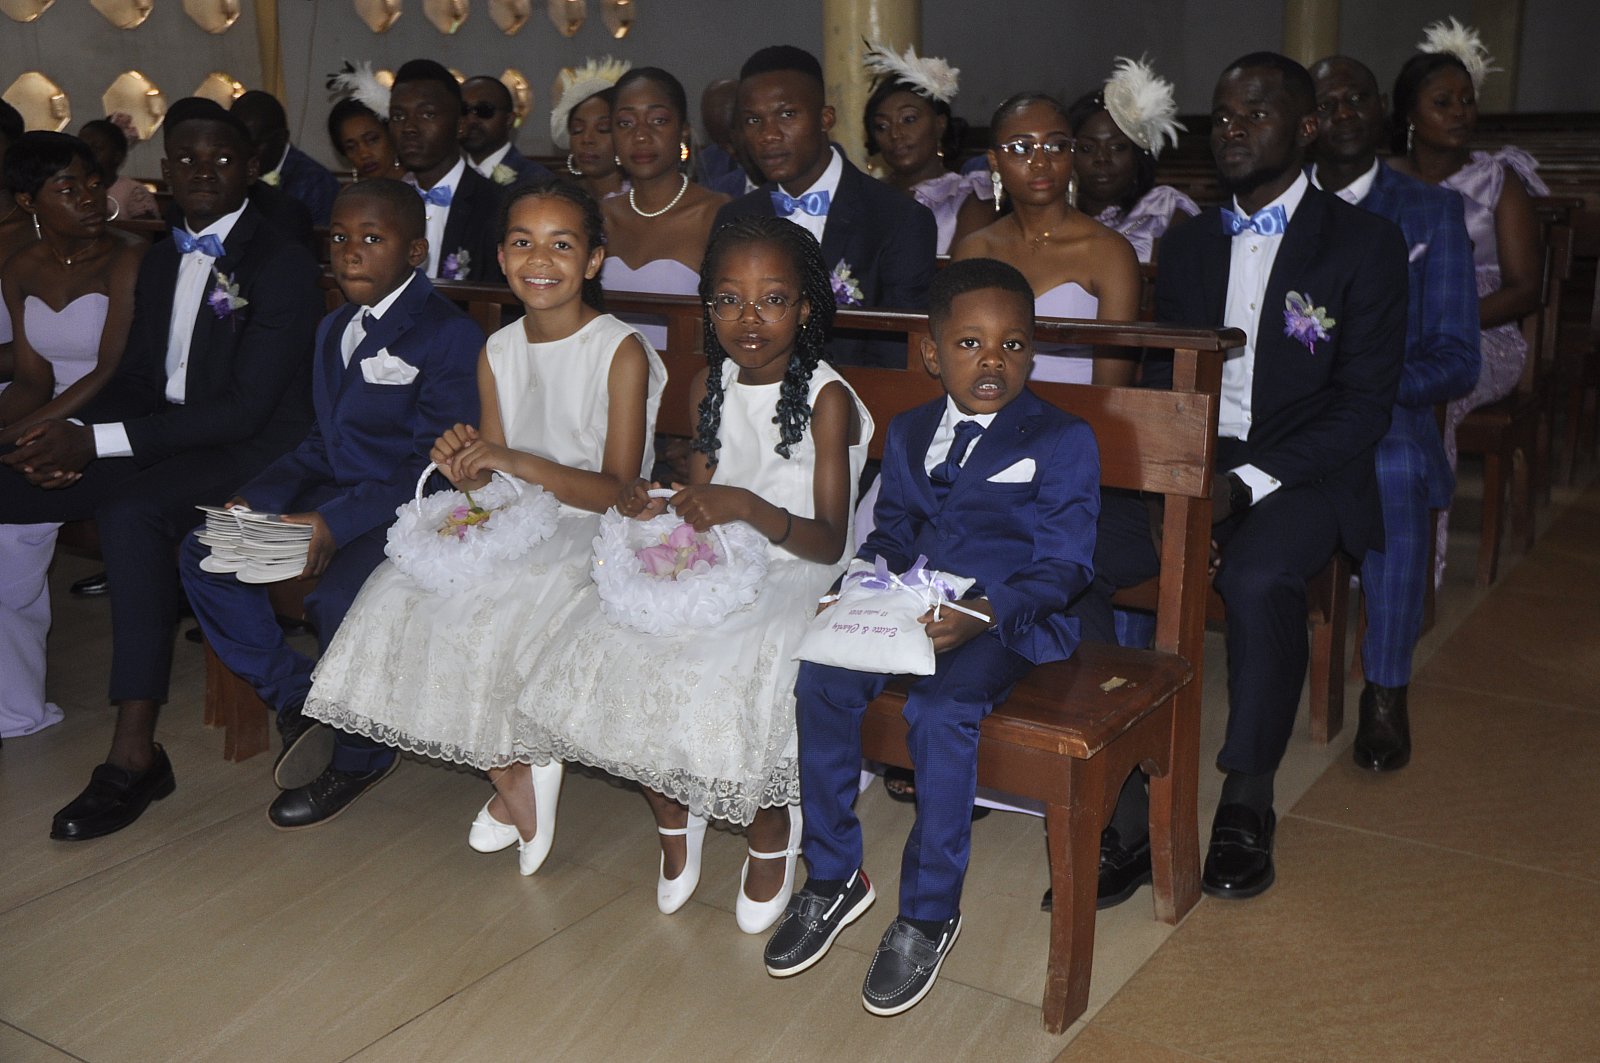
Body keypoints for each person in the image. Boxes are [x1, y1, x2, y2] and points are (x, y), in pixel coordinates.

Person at [1094, 53, 1406, 903]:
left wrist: (1248, 483)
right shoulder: (1190, 240)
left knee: (1263, 573)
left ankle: (1247, 792)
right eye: (1223, 115)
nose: (1231, 129)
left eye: (1255, 114)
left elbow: (1364, 406)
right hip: (1196, 457)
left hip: (1307, 467)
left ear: (1306, 129)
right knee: (1081, 545)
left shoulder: (1364, 243)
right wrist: (1160, 483)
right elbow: (1161, 378)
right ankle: (1122, 798)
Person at [764, 257, 1098, 1015]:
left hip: (1008, 620)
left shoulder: (1062, 437)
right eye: (970, 343)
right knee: (821, 680)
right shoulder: (913, 429)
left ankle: (929, 910)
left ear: (1033, 352)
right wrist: (856, 583)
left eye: (1013, 345)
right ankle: (833, 873)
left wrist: (980, 612)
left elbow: (1067, 564)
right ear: (932, 353)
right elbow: (893, 530)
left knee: (941, 711)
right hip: (910, 607)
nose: (992, 361)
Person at [522, 216, 872, 933]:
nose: (750, 318)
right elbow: (701, 499)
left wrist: (746, 506)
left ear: (806, 308)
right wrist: (653, 499)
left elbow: (829, 539)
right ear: (708, 308)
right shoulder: (710, 382)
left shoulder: (826, 399)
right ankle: (674, 814)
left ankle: (770, 826)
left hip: (796, 568)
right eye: (729, 300)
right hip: (719, 556)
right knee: (614, 645)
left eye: (773, 300)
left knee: (733, 668)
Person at [303, 179, 664, 855]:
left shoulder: (619, 349)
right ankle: (509, 766)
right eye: (523, 243)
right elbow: (494, 474)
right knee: (398, 591)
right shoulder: (497, 348)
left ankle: (520, 759)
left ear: (593, 260)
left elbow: (616, 490)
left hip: (594, 524)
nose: (540, 260)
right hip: (520, 510)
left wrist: (510, 459)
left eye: (562, 245)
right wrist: (467, 466)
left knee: (494, 609)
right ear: (500, 256)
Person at [0, 97, 321, 840]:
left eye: (220, 159)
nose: (201, 172)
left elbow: (245, 412)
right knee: (13, 479)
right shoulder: (166, 253)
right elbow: (139, 379)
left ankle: (135, 753)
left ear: (250, 167)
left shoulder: (281, 262)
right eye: (185, 159)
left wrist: (97, 445)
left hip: (253, 449)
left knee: (131, 513)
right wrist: (67, 439)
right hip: (168, 436)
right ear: (165, 169)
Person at [177, 180, 482, 825]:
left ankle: (361, 755)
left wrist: (333, 523)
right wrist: (255, 498)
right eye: (340, 238)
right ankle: (299, 699)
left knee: (338, 594)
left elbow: (433, 465)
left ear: (416, 251)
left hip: (413, 509)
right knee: (205, 550)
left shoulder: (447, 333)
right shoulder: (333, 327)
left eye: (372, 238)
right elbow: (320, 441)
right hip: (336, 495)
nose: (350, 252)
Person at [1309, 55, 1479, 772]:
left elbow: (1457, 358)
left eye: (1358, 98)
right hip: (1287, 414)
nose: (1345, 112)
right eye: (1327, 102)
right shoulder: (1275, 207)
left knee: (1395, 468)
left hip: (1387, 413)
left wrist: (1366, 386)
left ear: (1383, 110)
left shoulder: (1430, 211)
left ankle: (1385, 689)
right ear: (1304, 120)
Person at [1387, 20, 1548, 587]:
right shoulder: (1382, 181)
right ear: (1409, 115)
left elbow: (1527, 288)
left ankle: (1416, 564)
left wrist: (1446, 321)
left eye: (1467, 101)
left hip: (1484, 334)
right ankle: (1359, 545)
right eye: (1443, 102)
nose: (1460, 112)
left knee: (1434, 392)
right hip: (1395, 329)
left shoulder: (1497, 181)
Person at [0, 132, 145, 740]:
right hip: (50, 419)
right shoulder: (22, 269)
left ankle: (14, 706)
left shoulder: (128, 257)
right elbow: (32, 378)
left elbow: (109, 370)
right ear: (28, 201)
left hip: (111, 424)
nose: (88, 196)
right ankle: (15, 695)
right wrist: (9, 431)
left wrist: (23, 436)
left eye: (91, 182)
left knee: (12, 528)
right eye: (67, 187)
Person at [714, 45, 937, 369]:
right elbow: (719, 331)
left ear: (825, 118)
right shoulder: (734, 219)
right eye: (753, 120)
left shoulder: (898, 219)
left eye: (787, 114)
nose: (768, 135)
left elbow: (900, 351)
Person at [951, 93, 1141, 386]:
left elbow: (1112, 389)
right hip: (989, 405)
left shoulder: (1109, 252)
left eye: (1056, 146)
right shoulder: (974, 249)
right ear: (995, 161)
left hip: (1083, 410)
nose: (1040, 162)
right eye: (1021, 148)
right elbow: (958, 363)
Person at [601, 67, 729, 351]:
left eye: (658, 120)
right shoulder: (598, 217)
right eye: (625, 123)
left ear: (683, 131)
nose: (641, 135)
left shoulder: (718, 214)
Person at [861, 41, 991, 255]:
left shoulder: (968, 197)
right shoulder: (864, 196)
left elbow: (966, 271)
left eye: (909, 119)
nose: (895, 134)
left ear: (940, 124)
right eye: (882, 126)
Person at [1066, 57, 1200, 265]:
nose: (1102, 159)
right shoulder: (1055, 218)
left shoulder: (1163, 210)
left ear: (1138, 155)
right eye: (1087, 148)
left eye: (1117, 147)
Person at [389, 59, 503, 283]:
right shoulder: (386, 204)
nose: (409, 128)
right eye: (398, 116)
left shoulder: (495, 205)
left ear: (460, 126)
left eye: (427, 114)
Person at [232, 90, 341, 226]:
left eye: (253, 145)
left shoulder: (317, 185)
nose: (243, 153)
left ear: (281, 138)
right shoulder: (229, 173)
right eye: (236, 144)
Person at [551, 58, 630, 204]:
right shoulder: (560, 199)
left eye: (603, 129)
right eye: (577, 129)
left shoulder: (646, 201)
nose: (587, 139)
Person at [460, 75, 552, 187]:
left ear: (509, 120)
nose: (471, 120)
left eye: (484, 110)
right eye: (463, 110)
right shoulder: (448, 176)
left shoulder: (537, 181)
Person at [77, 120, 159, 221]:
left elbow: (144, 229)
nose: (87, 155)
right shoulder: (72, 189)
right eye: (82, 149)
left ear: (117, 156)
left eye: (96, 149)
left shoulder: (133, 192)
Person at [327, 98, 405, 182]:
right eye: (351, 147)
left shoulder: (415, 183)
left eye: (372, 140)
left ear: (391, 133)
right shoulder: (355, 191)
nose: (364, 155)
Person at [694, 77, 742, 189]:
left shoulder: (771, 156)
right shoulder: (706, 160)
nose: (730, 150)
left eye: (733, 141)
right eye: (721, 143)